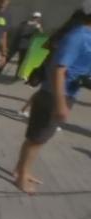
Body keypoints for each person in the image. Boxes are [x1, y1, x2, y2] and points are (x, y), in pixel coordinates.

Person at [13, 2, 91, 194]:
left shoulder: (86, 35)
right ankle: (21, 175)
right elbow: (59, 70)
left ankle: (22, 169)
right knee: (36, 138)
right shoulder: (78, 36)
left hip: (68, 92)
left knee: (41, 137)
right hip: (54, 94)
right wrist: (60, 104)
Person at [3, 12, 43, 76]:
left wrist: (38, 28)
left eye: (37, 18)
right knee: (8, 57)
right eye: (35, 17)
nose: (35, 18)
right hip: (17, 43)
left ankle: (16, 75)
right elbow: (17, 32)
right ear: (32, 17)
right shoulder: (24, 23)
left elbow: (40, 34)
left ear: (39, 18)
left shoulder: (37, 26)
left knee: (21, 61)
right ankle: (0, 70)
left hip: (25, 46)